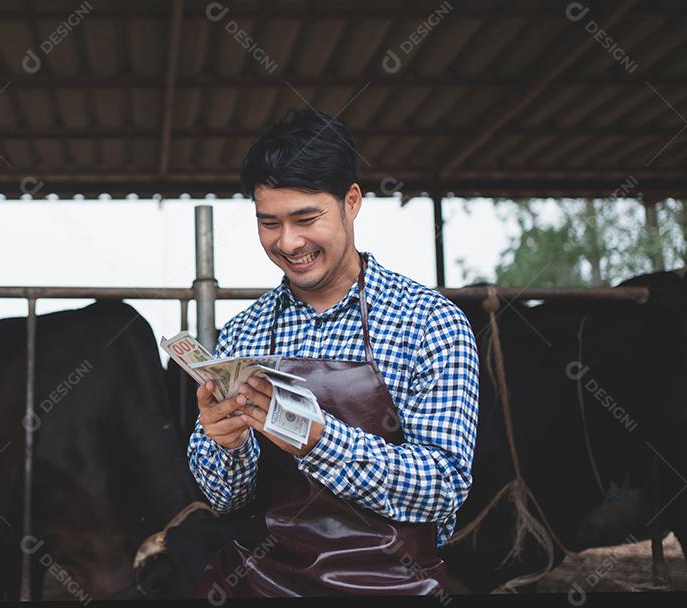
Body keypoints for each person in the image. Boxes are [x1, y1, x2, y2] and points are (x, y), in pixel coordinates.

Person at [187, 108, 480, 597]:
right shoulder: (243, 332)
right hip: (263, 584)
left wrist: (318, 442)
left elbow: (442, 487)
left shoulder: (431, 322)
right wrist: (226, 443)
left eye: (306, 218)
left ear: (351, 201)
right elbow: (225, 499)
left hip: (390, 586)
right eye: (269, 223)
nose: (289, 242)